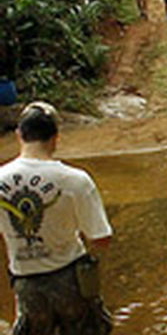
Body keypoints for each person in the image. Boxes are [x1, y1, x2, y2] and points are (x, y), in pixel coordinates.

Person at [0, 102, 113, 335]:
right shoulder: (76, 180)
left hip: (26, 283)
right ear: (55, 137)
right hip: (72, 280)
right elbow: (101, 239)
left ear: (19, 135)